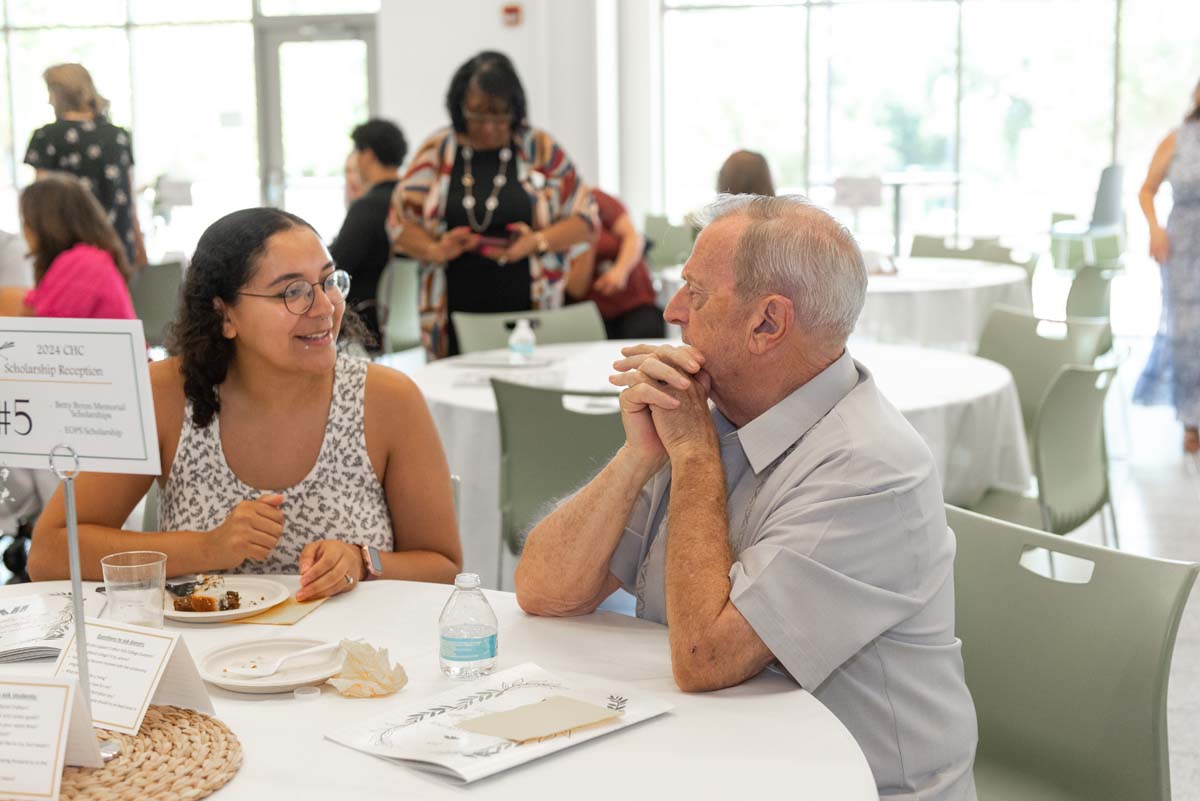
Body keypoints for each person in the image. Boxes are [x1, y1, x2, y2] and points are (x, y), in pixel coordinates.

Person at [515, 194, 978, 800]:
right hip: (715, 760)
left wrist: (696, 456)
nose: (673, 310)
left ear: (767, 323)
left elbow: (706, 658)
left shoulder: (872, 467)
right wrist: (639, 457)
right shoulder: (714, 415)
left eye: (696, 294)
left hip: (857, 786)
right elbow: (544, 591)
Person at [28, 208, 462, 600]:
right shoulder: (164, 394)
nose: (326, 306)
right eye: (292, 292)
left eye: (329, 281)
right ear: (225, 316)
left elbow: (444, 566)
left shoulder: (386, 399)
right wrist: (209, 547)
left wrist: (363, 562)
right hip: (203, 666)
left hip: (354, 667)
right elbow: (49, 553)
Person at [392, 50, 595, 358]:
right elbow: (398, 223)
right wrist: (435, 249)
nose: (489, 128)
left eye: (500, 116)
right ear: (459, 108)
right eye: (478, 116)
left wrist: (535, 242)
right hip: (453, 308)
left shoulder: (539, 149)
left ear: (516, 110)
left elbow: (587, 220)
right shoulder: (437, 152)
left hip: (532, 305)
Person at [24, 63, 145, 268]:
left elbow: (41, 207)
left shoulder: (46, 138)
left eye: (50, 93)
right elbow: (128, 200)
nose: (49, 100)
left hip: (67, 253)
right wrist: (140, 247)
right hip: (117, 247)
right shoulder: (118, 136)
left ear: (59, 94)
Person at [1134, 78, 1200, 454]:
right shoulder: (1177, 139)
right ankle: (1191, 419)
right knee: (1187, 334)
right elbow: (1146, 189)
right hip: (1182, 248)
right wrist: (1155, 230)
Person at [0, 174, 134, 320]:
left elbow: (42, 324)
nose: (24, 230)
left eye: (26, 220)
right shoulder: (89, 259)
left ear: (45, 224)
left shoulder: (82, 262)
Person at [330, 118, 409, 345]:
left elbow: (336, 265)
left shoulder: (367, 207)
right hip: (412, 317)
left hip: (369, 322)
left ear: (368, 155)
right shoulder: (412, 202)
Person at [565, 188, 664, 340]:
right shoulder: (554, 220)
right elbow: (576, 289)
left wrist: (620, 271)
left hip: (634, 303)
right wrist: (588, 238)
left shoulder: (594, 199)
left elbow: (633, 237)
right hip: (592, 312)